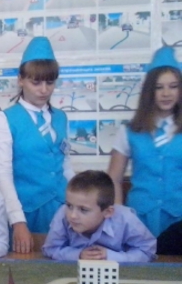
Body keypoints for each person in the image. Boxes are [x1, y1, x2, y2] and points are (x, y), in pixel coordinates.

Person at [0, 36, 73, 253]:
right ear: (21, 80)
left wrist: (78, 204)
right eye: (36, 82)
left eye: (50, 82)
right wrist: (17, 221)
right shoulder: (5, 119)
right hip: (27, 212)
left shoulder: (61, 117)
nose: (44, 90)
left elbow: (65, 165)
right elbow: (2, 174)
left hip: (63, 210)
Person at [108, 46, 182, 249]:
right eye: (159, 87)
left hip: (178, 223)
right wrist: (120, 218)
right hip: (139, 221)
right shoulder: (129, 131)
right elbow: (114, 179)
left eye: (173, 86)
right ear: (149, 91)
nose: (166, 93)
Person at [42, 170, 156, 263]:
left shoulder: (126, 219)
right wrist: (78, 255)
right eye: (69, 206)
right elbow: (50, 249)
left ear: (108, 212)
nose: (72, 215)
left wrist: (111, 257)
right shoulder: (62, 214)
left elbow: (148, 251)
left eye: (83, 210)